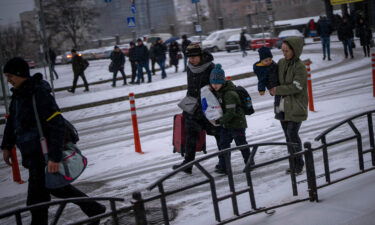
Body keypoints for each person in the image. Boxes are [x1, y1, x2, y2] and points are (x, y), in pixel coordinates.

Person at [1, 57, 106, 225]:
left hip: (43, 155)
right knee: (56, 189)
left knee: (37, 200)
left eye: (10, 76)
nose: (8, 80)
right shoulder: (19, 96)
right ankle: (94, 209)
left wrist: (54, 157)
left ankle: (94, 209)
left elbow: (57, 126)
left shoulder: (39, 94)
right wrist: (7, 145)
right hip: (33, 156)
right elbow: (13, 122)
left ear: (20, 74)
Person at [172, 43, 220, 174]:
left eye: (194, 57)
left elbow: (218, 86)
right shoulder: (190, 67)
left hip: (208, 106)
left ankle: (223, 162)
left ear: (201, 56)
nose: (191, 60)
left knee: (217, 134)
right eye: (189, 58)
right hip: (192, 105)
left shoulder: (211, 67)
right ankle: (188, 164)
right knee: (190, 134)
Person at [269, 37, 308, 174]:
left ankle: (299, 164)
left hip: (296, 106)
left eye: (286, 51)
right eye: (282, 50)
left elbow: (296, 87)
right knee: (287, 137)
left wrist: (278, 89)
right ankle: (293, 164)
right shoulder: (281, 62)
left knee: (292, 134)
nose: (284, 53)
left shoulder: (300, 67)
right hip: (282, 106)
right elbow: (274, 77)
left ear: (295, 50)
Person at [209, 64, 251, 174]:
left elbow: (231, 113)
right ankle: (224, 166)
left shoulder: (229, 94)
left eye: (217, 83)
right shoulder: (220, 91)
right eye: (213, 83)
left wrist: (219, 121)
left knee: (241, 144)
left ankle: (249, 162)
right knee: (223, 144)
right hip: (227, 124)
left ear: (222, 81)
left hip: (237, 123)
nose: (215, 85)